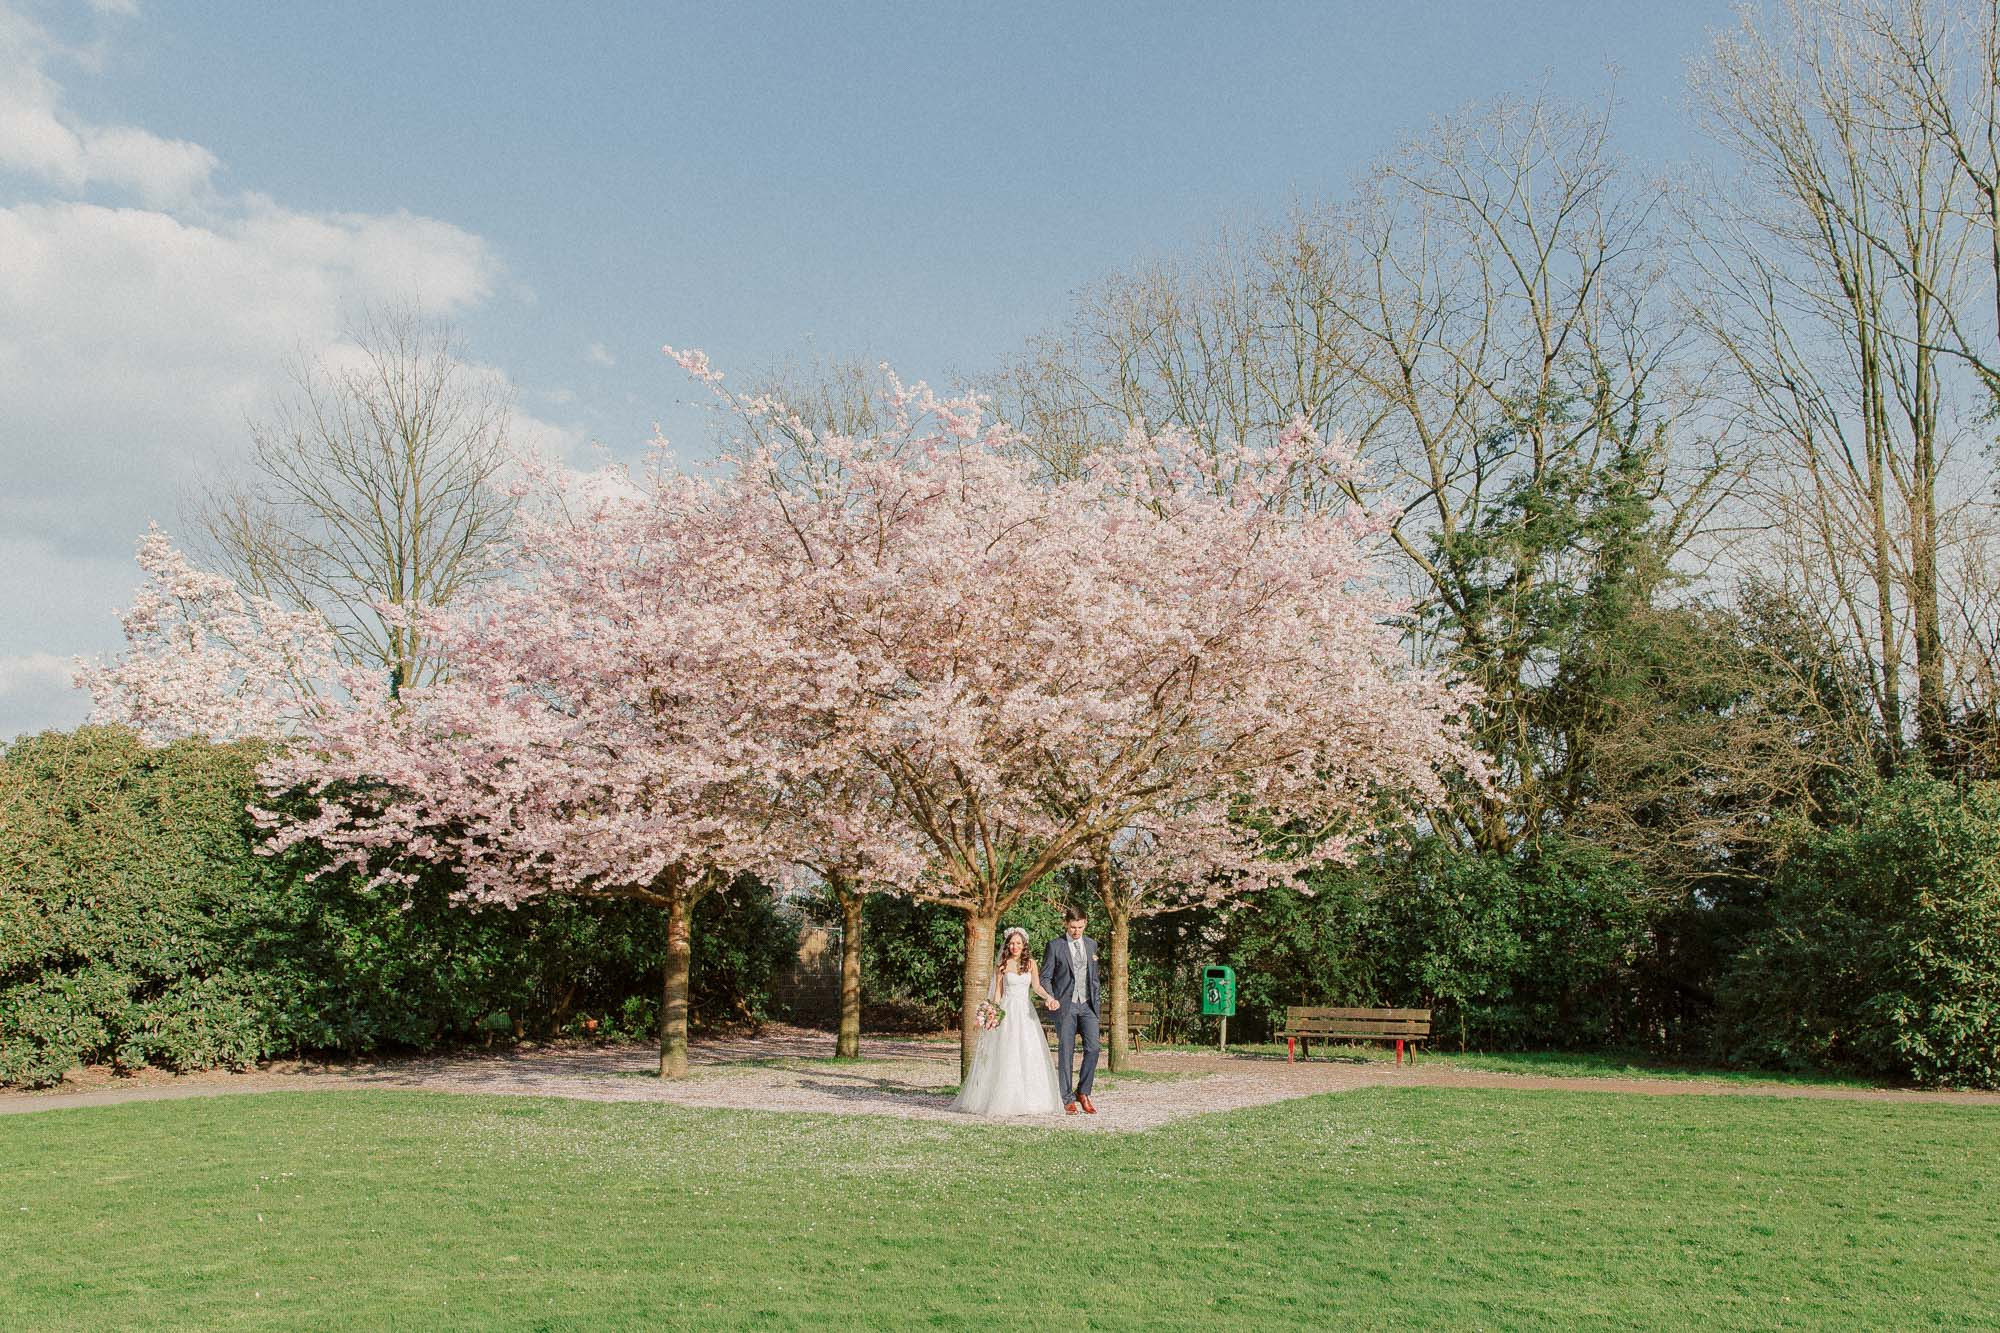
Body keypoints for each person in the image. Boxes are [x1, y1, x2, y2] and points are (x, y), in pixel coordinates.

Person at [949, 926, 1065, 1117]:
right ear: (1007, 945)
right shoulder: (1002, 965)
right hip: (1008, 1010)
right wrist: (990, 1012)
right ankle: (1005, 1099)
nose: (1014, 946)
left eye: (1018, 943)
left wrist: (1048, 998)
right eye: (1011, 943)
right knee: (1008, 1050)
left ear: (1024, 945)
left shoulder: (1031, 964)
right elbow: (998, 993)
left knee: (1028, 1050)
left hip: (1025, 1012)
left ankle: (1032, 1099)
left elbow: (1036, 986)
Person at [1038, 904, 1101, 1115]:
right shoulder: (1055, 946)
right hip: (1066, 1005)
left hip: (1088, 1005)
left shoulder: (1092, 945)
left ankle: (1083, 1092)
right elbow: (1045, 976)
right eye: (1073, 927)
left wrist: (1096, 999)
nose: (1076, 931)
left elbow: (1094, 977)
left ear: (1085, 924)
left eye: (1080, 927)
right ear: (1066, 924)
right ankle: (1066, 1097)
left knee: (1093, 1048)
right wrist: (1050, 997)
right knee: (1066, 1051)